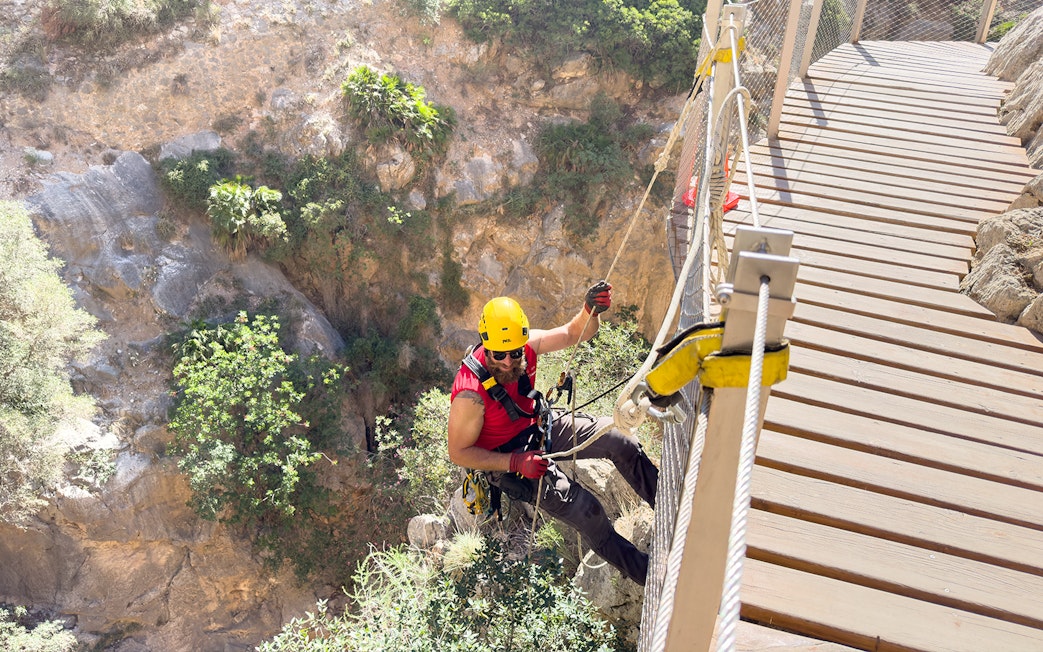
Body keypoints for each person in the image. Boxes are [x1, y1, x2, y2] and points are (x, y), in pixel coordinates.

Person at [447, 283, 659, 585]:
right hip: (509, 456)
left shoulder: (528, 346)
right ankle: (650, 575)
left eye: (514, 353)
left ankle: (670, 510)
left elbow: (576, 333)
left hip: (539, 426)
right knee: (590, 513)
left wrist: (590, 310)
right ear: (485, 345)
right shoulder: (470, 393)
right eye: (499, 355)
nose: (508, 361)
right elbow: (458, 452)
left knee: (622, 442)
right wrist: (516, 463)